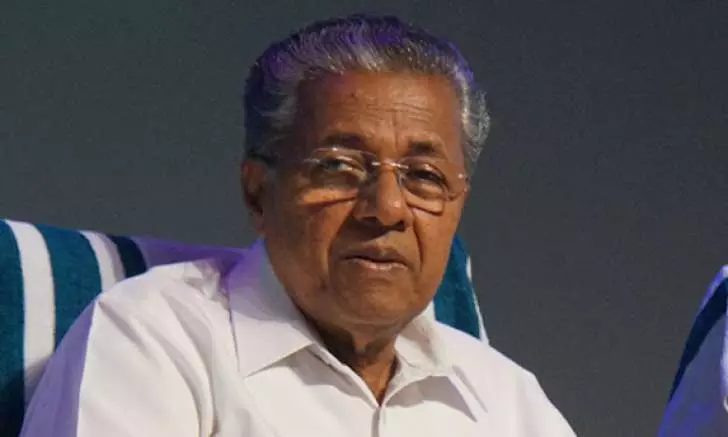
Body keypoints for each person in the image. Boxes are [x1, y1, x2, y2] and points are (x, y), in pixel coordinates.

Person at [20, 14, 576, 436]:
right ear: (258, 192)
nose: (386, 208)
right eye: (339, 166)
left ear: (457, 204)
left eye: (424, 177)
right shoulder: (152, 340)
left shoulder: (506, 401)